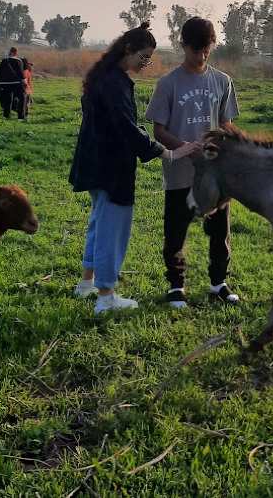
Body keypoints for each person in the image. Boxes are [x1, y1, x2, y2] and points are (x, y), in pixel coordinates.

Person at [69, 22, 198, 314]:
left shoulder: (104, 76)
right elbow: (127, 129)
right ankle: (106, 296)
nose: (145, 63)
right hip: (112, 167)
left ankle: (86, 283)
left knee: (99, 221)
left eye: (149, 59)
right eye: (144, 57)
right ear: (128, 50)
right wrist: (167, 152)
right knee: (111, 230)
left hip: (95, 163)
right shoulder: (114, 82)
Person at [145, 17, 240, 309]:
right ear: (182, 45)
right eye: (195, 50)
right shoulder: (168, 83)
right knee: (175, 230)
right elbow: (158, 130)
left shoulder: (222, 81)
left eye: (206, 50)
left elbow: (226, 123)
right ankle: (176, 287)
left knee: (219, 231)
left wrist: (227, 144)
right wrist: (186, 148)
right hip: (181, 172)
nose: (201, 56)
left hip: (214, 174)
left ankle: (218, 283)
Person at [0, 47, 26, 119]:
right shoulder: (18, 61)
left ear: (9, 52)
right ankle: (21, 117)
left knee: (8, 99)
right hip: (16, 83)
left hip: (5, 83)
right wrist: (24, 80)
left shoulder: (4, 61)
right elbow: (20, 73)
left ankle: (6, 115)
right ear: (15, 52)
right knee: (22, 97)